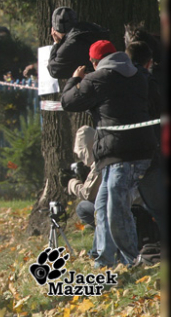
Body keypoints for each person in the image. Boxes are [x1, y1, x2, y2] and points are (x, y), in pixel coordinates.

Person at [61, 40, 158, 268]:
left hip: (121, 155)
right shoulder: (139, 75)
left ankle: (132, 261)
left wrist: (75, 79)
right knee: (102, 207)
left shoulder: (96, 79)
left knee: (115, 209)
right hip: (138, 149)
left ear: (95, 62)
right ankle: (104, 262)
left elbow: (67, 102)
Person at [126, 40, 166, 258]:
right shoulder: (150, 82)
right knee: (157, 205)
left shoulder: (118, 80)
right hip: (151, 152)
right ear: (149, 61)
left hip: (127, 154)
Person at [47, 7, 110, 79]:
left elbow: (53, 71)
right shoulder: (93, 30)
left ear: (56, 31)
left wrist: (56, 44)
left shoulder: (68, 46)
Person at [67, 125, 101, 257]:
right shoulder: (103, 158)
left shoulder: (99, 163)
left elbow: (88, 193)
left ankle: (96, 253)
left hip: (124, 208)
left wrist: (71, 183)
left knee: (84, 208)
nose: (81, 157)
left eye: (81, 152)